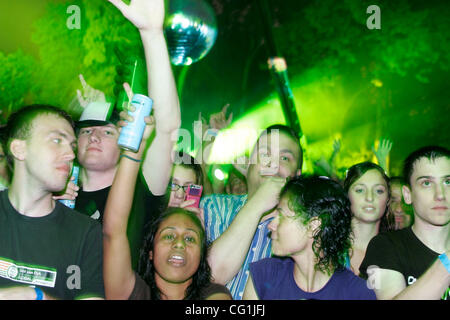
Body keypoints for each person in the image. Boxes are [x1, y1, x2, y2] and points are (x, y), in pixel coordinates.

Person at [102, 115, 231, 300]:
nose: (179, 194)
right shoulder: (139, 219)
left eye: (188, 187)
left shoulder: (211, 292)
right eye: (172, 184)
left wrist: (199, 233)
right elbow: (114, 230)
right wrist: (135, 145)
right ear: (151, 250)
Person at [0, 105, 104, 300]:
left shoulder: (84, 232)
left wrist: (36, 296)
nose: (71, 155)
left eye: (72, 146)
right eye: (57, 140)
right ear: (19, 149)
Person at [202, 124, 303, 299]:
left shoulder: (308, 228)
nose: (272, 164)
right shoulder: (214, 206)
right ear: (249, 163)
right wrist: (258, 202)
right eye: (265, 154)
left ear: (297, 176)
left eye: (285, 158)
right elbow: (211, 275)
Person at [243, 176, 376, 300]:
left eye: (282, 216)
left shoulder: (358, 293)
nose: (271, 225)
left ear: (314, 226)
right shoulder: (264, 275)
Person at [359, 146, 450, 300]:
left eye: (448, 181)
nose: (440, 194)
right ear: (408, 195)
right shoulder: (386, 246)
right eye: (426, 183)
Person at [343, 162, 390, 276]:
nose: (369, 198)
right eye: (360, 190)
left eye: (379, 191)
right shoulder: (328, 250)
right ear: (346, 196)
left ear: (388, 199)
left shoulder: (396, 252)